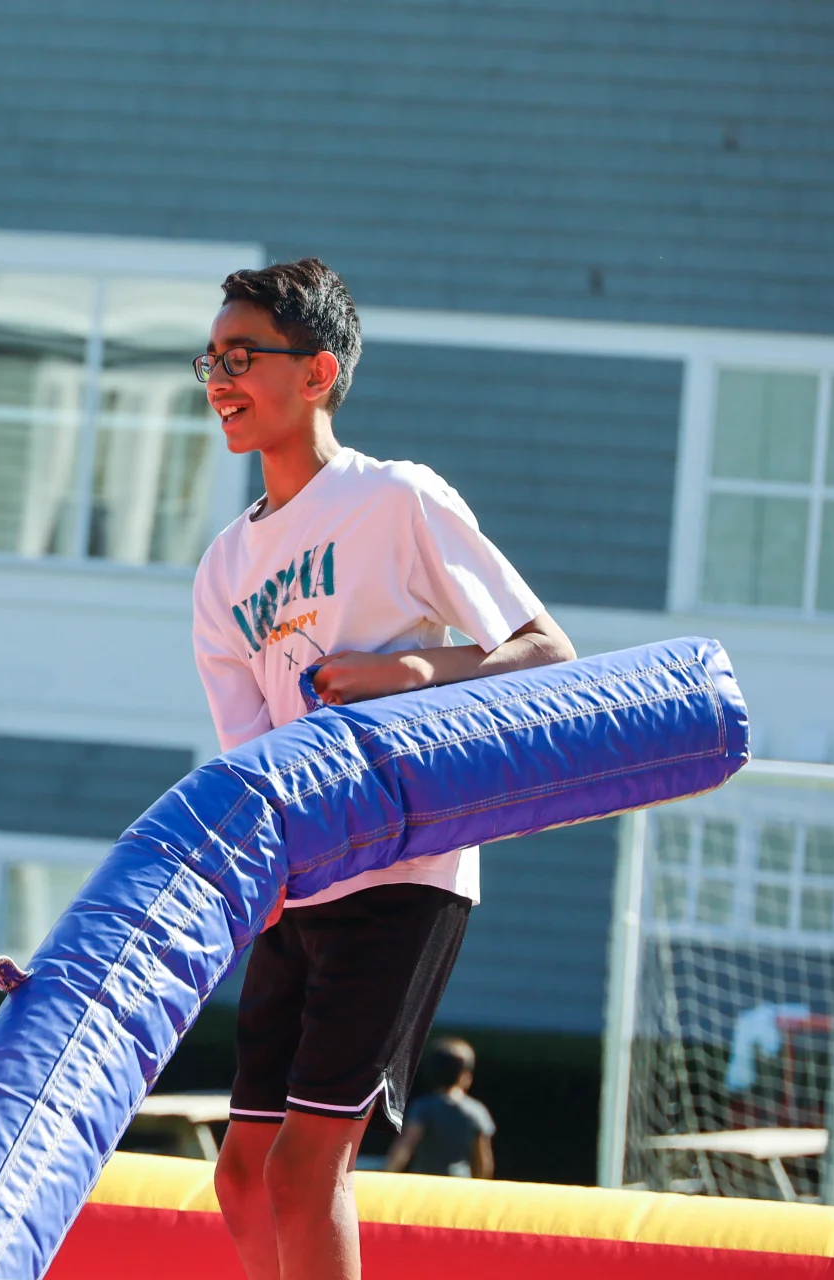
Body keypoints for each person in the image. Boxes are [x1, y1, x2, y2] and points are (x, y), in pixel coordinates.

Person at [191, 258, 573, 1280]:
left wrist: (413, 667)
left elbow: (547, 655)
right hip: (302, 876)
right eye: (212, 359)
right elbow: (247, 753)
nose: (221, 376)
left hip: (406, 862)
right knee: (243, 1171)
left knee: (311, 1161)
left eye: (244, 356)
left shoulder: (394, 498)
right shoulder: (224, 566)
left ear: (316, 373)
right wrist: (255, 880)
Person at [384, 1037, 497, 1178]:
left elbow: (405, 1147)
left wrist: (388, 1174)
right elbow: (483, 1160)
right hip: (461, 1187)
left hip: (427, 1186)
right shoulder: (477, 1111)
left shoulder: (423, 1107)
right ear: (465, 1075)